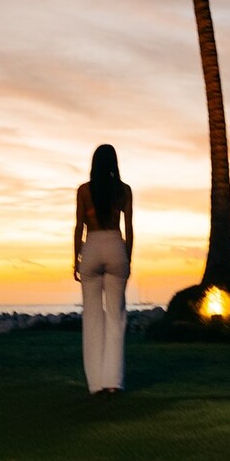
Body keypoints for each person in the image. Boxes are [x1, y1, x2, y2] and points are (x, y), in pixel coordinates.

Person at [73, 143, 133, 394]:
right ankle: (113, 382)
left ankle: (96, 383)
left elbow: (79, 227)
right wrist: (127, 258)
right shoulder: (124, 190)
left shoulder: (85, 191)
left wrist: (75, 258)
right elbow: (129, 229)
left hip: (93, 246)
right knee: (115, 317)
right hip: (115, 244)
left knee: (93, 317)